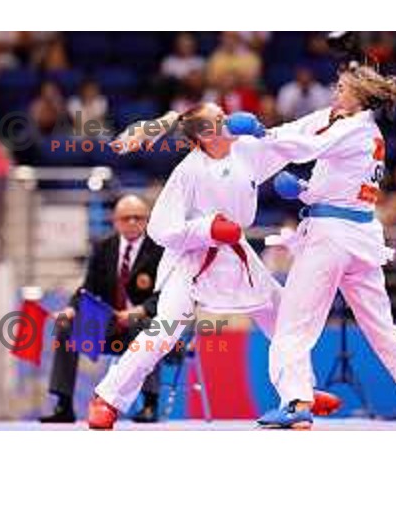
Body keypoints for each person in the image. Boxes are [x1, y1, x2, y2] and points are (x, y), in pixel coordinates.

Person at [222, 64, 396, 429]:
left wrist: (261, 132)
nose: (335, 91)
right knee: (382, 325)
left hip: (331, 236)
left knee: (294, 323)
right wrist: (302, 190)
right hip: (360, 235)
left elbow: (306, 148)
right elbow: (342, 184)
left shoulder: (352, 128)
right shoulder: (369, 134)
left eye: (343, 87)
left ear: (359, 96)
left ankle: (296, 402)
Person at [88, 104, 341, 429]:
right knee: (165, 329)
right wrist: (207, 229)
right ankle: (107, 398)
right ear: (207, 135)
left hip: (235, 252)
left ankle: (298, 392)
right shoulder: (188, 171)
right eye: (222, 119)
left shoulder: (248, 150)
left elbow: (290, 135)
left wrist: (330, 115)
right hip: (192, 258)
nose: (232, 119)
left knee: (281, 316)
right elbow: (160, 229)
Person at [40, 194, 165, 424]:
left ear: (147, 221)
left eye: (138, 218)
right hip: (106, 326)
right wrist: (71, 309)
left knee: (149, 329)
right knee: (66, 327)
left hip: (140, 326)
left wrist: (140, 310)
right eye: (126, 218)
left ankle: (149, 404)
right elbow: (87, 289)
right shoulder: (103, 247)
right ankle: (63, 405)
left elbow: (165, 295)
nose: (132, 223)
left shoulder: (160, 250)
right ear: (115, 221)